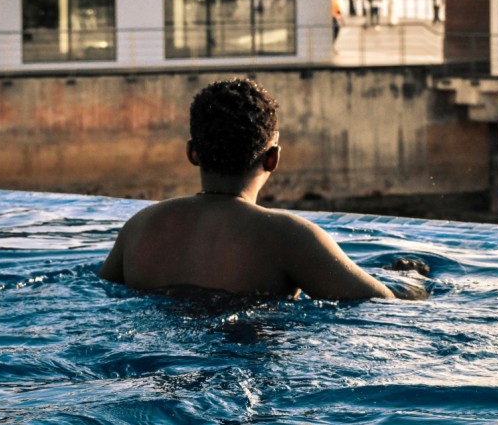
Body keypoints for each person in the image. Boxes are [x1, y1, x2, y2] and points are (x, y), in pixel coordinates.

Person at [99, 78, 422, 300]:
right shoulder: (287, 235)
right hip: (242, 360)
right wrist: (412, 281)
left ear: (193, 153)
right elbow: (382, 305)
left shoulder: (141, 225)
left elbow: (97, 291)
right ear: (272, 158)